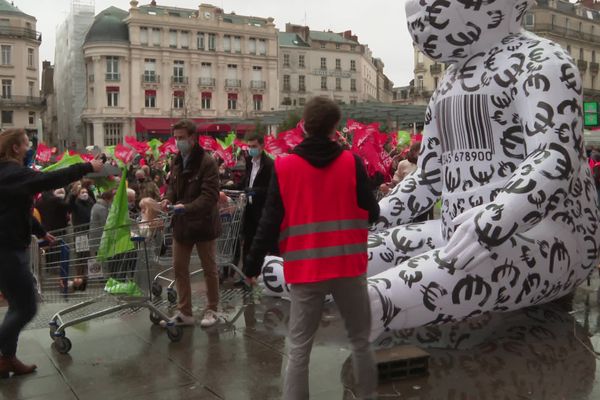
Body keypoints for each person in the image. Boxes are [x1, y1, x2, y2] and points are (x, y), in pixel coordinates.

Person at [244, 98, 380, 400]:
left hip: (306, 270)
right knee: (360, 340)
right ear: (335, 128)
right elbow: (372, 211)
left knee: (299, 346)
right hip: (348, 266)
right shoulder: (351, 162)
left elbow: (268, 222)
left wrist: (252, 265)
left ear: (303, 126)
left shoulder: (285, 166)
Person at [0, 129, 103, 378]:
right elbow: (48, 180)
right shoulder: (11, 173)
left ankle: (7, 359)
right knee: (26, 308)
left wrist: (40, 231)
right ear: (15, 148)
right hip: (7, 250)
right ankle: (4, 355)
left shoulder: (9, 176)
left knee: (17, 304)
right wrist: (87, 166)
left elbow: (17, 209)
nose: (29, 148)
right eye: (26, 144)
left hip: (11, 246)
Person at [161, 119, 222, 328]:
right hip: (182, 224)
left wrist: (186, 207)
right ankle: (184, 311)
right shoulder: (176, 160)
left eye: (182, 138)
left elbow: (210, 196)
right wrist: (167, 199)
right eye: (176, 138)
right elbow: (172, 187)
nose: (178, 142)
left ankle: (213, 308)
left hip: (203, 223)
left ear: (193, 138)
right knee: (179, 267)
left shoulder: (207, 162)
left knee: (209, 268)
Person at [238, 132, 274, 282]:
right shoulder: (249, 161)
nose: (251, 149)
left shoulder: (269, 165)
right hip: (249, 208)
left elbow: (271, 189)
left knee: (262, 242)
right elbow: (247, 182)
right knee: (247, 242)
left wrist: (254, 191)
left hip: (262, 209)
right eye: (249, 146)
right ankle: (246, 274)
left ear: (262, 146)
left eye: (254, 146)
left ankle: (264, 273)